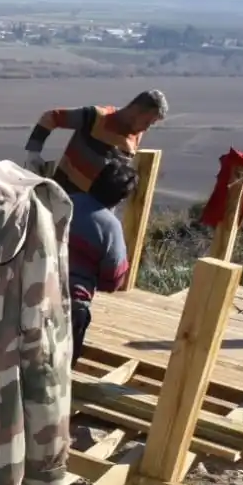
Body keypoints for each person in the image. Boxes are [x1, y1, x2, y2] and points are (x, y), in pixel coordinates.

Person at [23, 89, 167, 197]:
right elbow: (51, 117)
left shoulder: (136, 134)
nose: (147, 128)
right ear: (135, 110)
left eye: (152, 124)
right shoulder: (96, 117)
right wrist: (33, 153)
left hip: (98, 206)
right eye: (148, 121)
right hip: (64, 197)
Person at [66, 153, 138, 361]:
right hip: (71, 305)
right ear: (122, 197)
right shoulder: (109, 227)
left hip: (30, 293)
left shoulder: (62, 203)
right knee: (59, 372)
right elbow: (113, 278)